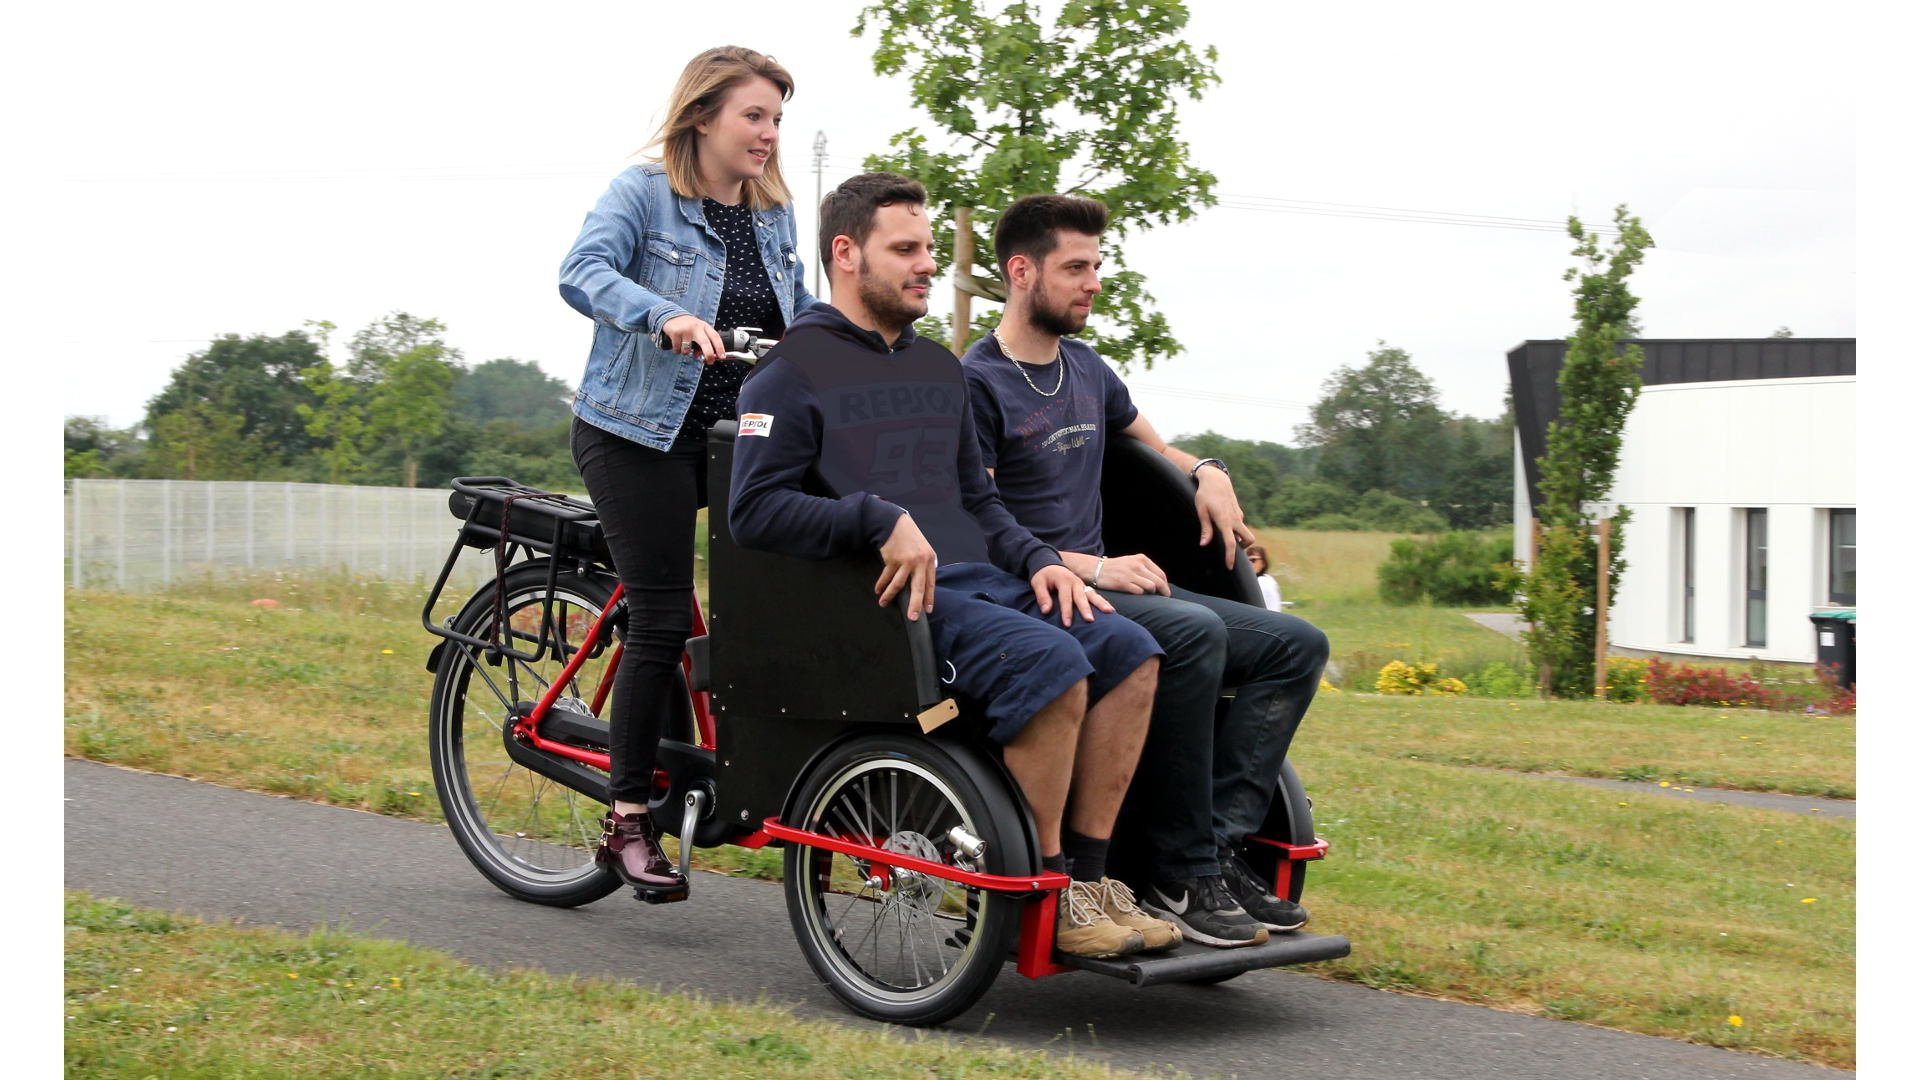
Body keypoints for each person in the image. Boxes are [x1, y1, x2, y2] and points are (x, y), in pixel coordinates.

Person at [729, 172, 1178, 959]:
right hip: (890, 600)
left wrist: (1041, 561)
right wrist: (877, 517)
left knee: (1129, 650)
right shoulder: (791, 373)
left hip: (988, 581)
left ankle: (1092, 881)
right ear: (846, 254)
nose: (926, 264)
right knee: (1053, 661)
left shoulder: (939, 370)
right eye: (905, 249)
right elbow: (752, 510)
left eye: (929, 248)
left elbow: (980, 499)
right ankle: (1045, 890)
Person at [961, 194, 1331, 946]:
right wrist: (1093, 566)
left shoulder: (1089, 370)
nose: (1093, 282)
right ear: (1021, 271)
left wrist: (1210, 470)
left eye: (1097, 266)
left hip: (1115, 587)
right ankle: (1178, 871)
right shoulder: (975, 383)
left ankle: (1218, 853)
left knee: (1299, 645)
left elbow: (1156, 449)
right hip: (1039, 594)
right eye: (1075, 267)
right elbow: (979, 526)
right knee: (1192, 633)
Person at [557, 46, 820, 901]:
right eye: (755, 115)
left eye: (778, 119)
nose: (769, 134)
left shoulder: (774, 214)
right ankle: (627, 820)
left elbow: (803, 311)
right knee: (664, 619)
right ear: (703, 116)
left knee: (791, 590)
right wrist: (663, 312)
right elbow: (582, 272)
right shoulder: (644, 194)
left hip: (735, 441)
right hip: (635, 434)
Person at [1246, 544, 1285, 612]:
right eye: (1246, 560)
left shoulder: (1261, 582)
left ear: (1263, 563)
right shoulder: (1269, 579)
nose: (1249, 563)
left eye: (1253, 560)